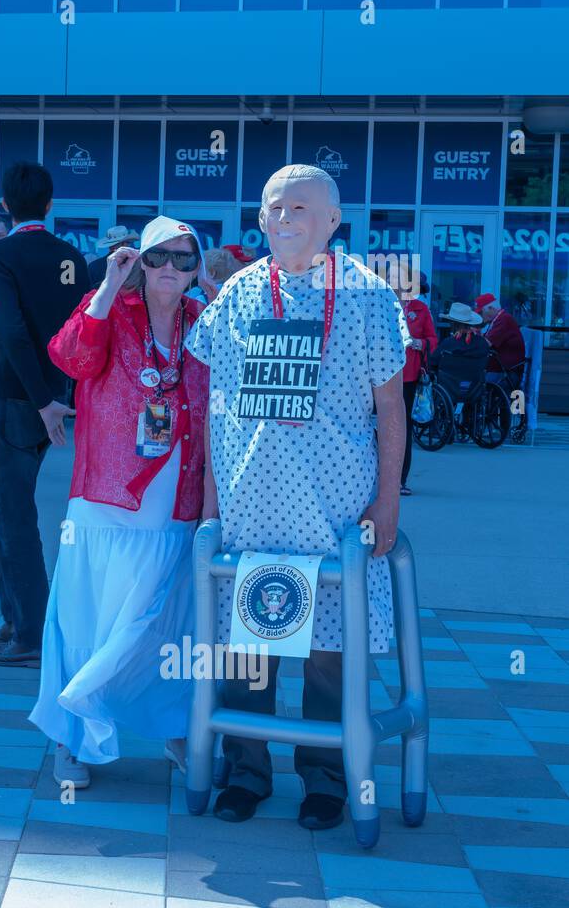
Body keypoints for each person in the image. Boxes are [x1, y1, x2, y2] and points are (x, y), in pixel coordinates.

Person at [185, 164, 409, 832]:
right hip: (253, 512)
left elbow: (392, 408)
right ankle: (248, 769)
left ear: (334, 221)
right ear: (258, 219)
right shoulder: (238, 294)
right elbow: (214, 408)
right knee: (246, 653)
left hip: (335, 512)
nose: (285, 217)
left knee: (329, 659)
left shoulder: (369, 297)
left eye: (301, 207)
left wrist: (389, 500)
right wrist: (210, 501)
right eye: (275, 206)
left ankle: (325, 777)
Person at [32, 216, 210, 787]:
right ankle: (70, 738)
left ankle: (175, 730)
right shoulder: (109, 307)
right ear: (139, 261)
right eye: (159, 257)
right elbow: (71, 358)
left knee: (166, 626)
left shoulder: (203, 320)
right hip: (107, 498)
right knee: (89, 619)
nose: (170, 270)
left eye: (184, 260)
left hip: (174, 499)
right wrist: (109, 286)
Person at [0, 162, 88, 669]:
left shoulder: (1, 255)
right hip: (54, 397)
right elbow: (77, 331)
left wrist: (42, 400)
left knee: (11, 516)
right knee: (6, 512)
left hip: (17, 398)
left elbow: (12, 333)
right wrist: (60, 394)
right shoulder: (71, 256)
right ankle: (16, 616)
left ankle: (29, 631)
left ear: (6, 205)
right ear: (49, 205)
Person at [398, 272, 437, 496]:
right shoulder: (384, 305)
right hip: (380, 375)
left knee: (403, 428)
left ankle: (400, 480)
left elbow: (433, 340)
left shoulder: (421, 310)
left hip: (409, 376)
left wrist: (419, 343)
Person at [475, 292, 526, 382]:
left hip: (505, 374)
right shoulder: (498, 320)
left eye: (481, 313)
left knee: (474, 383)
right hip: (500, 370)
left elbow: (485, 344)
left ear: (491, 308)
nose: (480, 316)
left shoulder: (504, 319)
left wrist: (476, 329)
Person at [86, 225, 138, 290]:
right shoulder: (134, 264)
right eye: (128, 242)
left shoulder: (93, 266)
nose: (130, 245)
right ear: (123, 244)